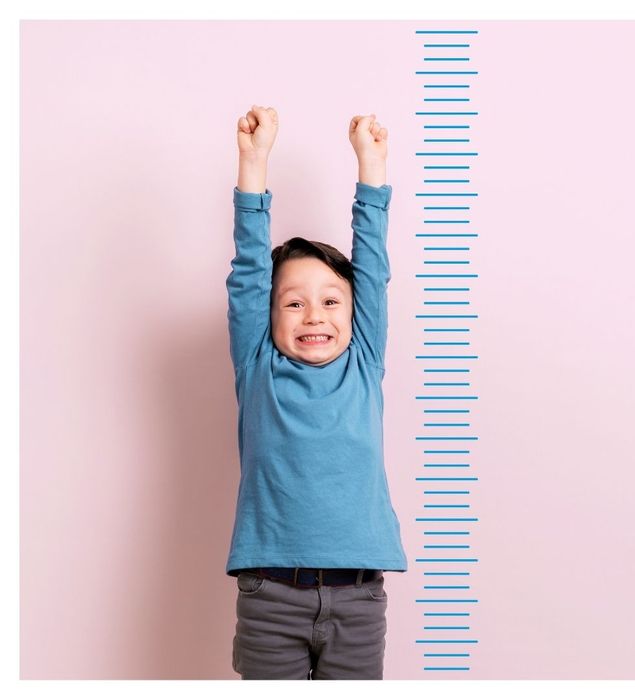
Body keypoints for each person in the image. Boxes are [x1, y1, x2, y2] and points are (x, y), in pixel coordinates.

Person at [225, 104, 408, 680]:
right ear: (269, 315)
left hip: (358, 598)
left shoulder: (364, 360)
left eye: (331, 301)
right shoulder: (259, 365)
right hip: (270, 598)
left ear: (354, 316)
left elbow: (372, 269)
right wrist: (253, 164)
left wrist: (371, 166)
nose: (314, 315)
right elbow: (250, 270)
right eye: (294, 301)